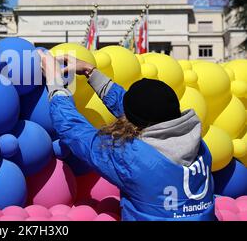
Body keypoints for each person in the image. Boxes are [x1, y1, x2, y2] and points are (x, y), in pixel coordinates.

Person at [37, 50, 215, 221]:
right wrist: (91, 72)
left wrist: (55, 84)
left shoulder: (131, 158)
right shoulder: (199, 146)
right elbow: (145, 113)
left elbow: (75, 131)